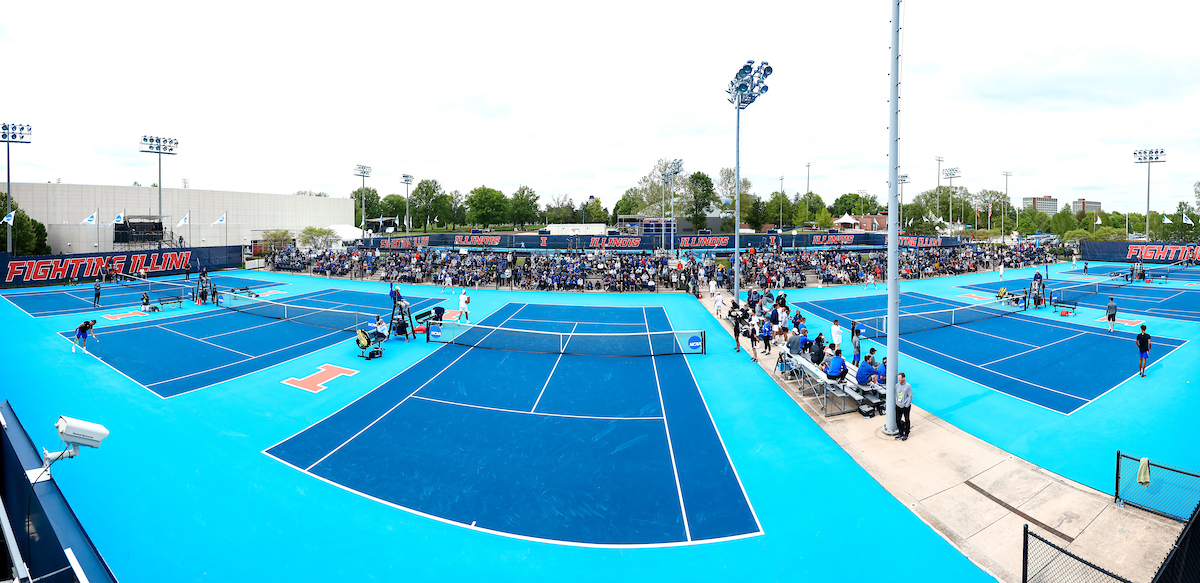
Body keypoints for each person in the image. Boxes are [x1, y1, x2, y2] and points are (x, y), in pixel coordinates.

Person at [895, 372, 912, 441]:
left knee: (907, 420)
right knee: (897, 420)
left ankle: (906, 434)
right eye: (898, 378)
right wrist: (896, 402)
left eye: (900, 378)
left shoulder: (908, 386)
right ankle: (901, 432)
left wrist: (906, 405)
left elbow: (910, 396)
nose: (899, 379)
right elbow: (896, 394)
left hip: (905, 407)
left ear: (903, 378)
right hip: (898, 406)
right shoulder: (897, 385)